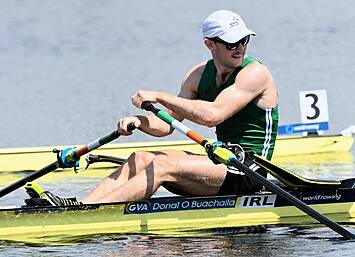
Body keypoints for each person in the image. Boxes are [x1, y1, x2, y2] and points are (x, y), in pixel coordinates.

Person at [38, 10, 279, 206]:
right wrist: (139, 121)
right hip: (220, 162)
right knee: (140, 157)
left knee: (162, 165)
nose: (239, 47)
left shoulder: (255, 73)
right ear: (209, 44)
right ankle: (80, 206)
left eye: (243, 40)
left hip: (248, 170)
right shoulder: (197, 76)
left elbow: (212, 116)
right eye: (230, 42)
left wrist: (160, 96)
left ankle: (87, 213)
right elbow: (166, 125)